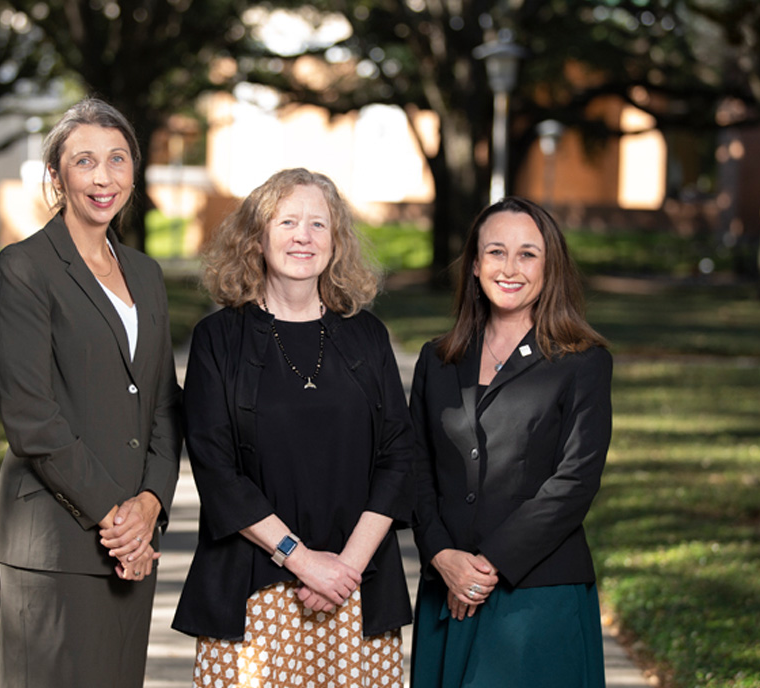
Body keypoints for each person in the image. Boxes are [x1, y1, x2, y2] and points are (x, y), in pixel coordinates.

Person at [172, 168, 414, 688]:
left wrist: (343, 569)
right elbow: (217, 471)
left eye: (317, 225)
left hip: (358, 589)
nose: (302, 236)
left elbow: (399, 456)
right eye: (287, 221)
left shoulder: (367, 335)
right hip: (253, 591)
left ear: (336, 242)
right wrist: (304, 562)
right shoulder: (218, 339)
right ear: (257, 237)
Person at [0, 97, 182, 688]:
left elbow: (163, 403)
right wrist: (115, 516)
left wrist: (150, 504)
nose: (104, 177)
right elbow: (31, 418)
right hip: (55, 540)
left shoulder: (145, 274)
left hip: (132, 543)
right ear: (56, 176)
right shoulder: (22, 269)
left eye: (118, 159)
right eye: (85, 161)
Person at [409, 197, 612, 687]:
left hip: (537, 592)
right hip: (447, 590)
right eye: (496, 252)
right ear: (475, 264)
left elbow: (575, 481)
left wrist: (487, 565)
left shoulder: (582, 361)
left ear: (550, 266)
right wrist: (441, 556)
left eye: (528, 254)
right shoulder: (436, 359)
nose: (510, 268)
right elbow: (413, 467)